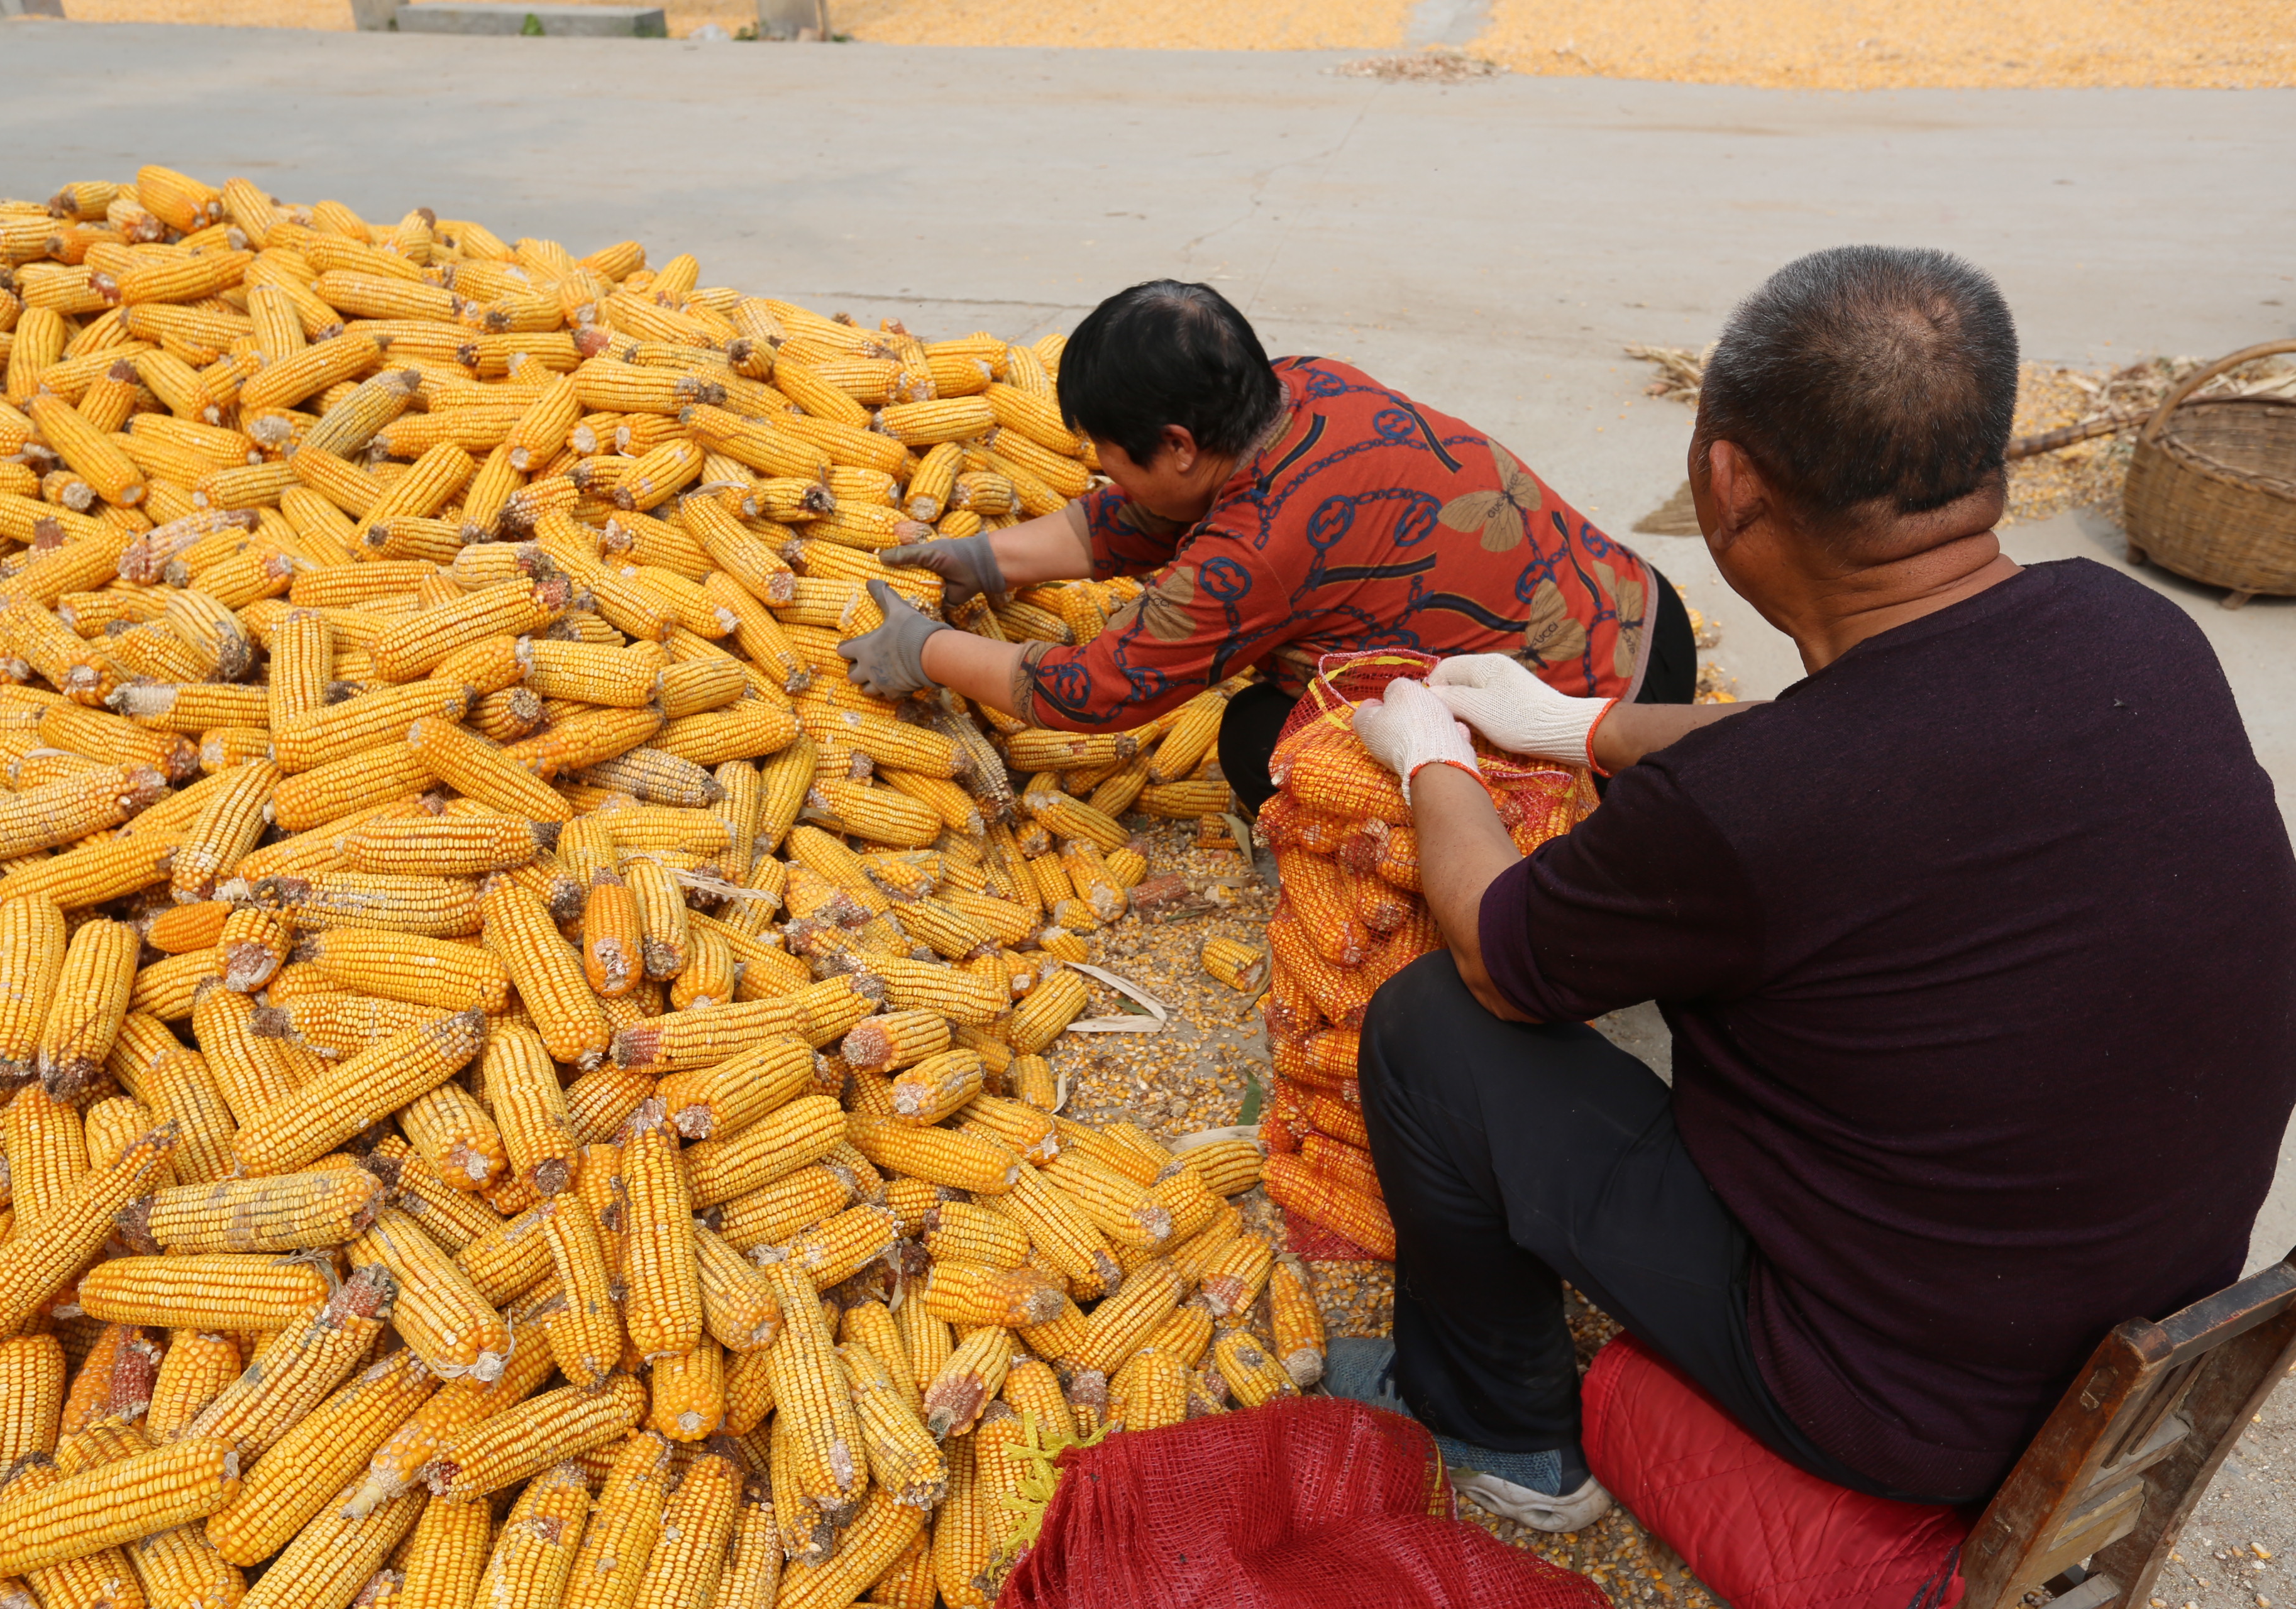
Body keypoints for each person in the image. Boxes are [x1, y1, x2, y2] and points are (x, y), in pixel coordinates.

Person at [1329, 244, 2296, 1533]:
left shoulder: (1755, 808)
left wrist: (1434, 763)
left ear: (1728, 480)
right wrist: (1585, 729)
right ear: (1987, 458)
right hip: (2144, 1306)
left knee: (1431, 1030)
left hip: (1905, 1404)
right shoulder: (2131, 631)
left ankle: (1503, 1428)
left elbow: (1504, 951)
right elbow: (1847, 739)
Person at [837, 280, 1696, 808]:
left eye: (1111, 458)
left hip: (1595, 750)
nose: (1104, 477)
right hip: (1645, 620)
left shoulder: (1251, 556)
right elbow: (1155, 517)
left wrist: (928, 651)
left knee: (1259, 736)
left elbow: (1089, 692)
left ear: (1177, 444)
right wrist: (988, 561)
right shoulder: (1304, 385)